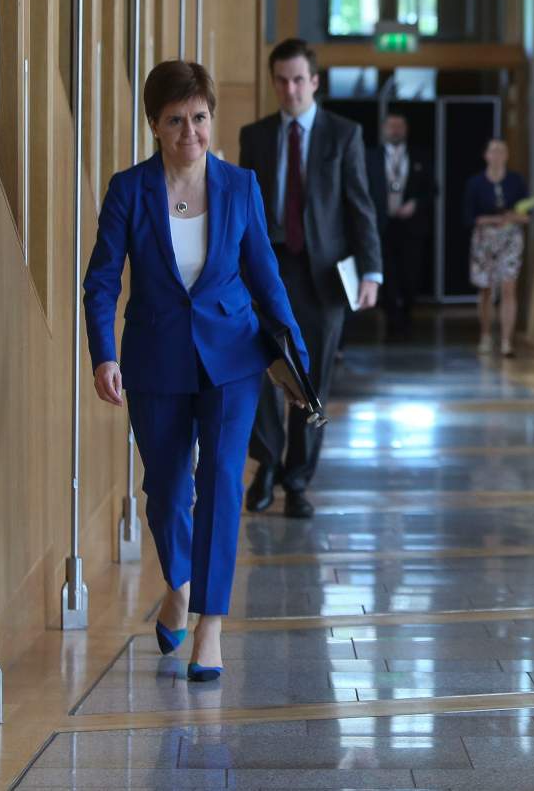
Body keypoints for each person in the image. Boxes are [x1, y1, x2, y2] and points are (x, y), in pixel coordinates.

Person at [82, 60, 308, 682]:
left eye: (201, 118)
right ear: (154, 124)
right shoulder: (129, 190)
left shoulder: (239, 187)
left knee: (223, 483)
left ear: (213, 118)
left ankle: (209, 626)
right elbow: (101, 283)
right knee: (166, 490)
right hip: (156, 362)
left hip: (233, 358)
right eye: (176, 119)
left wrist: (298, 361)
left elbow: (266, 278)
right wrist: (103, 353)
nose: (191, 131)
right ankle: (177, 584)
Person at [238, 38, 382, 518]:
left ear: (315, 82)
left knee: (313, 378)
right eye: (281, 80)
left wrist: (371, 270)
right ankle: (267, 468)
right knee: (258, 371)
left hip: (324, 276)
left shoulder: (343, 135)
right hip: (267, 271)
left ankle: (298, 481)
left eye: (299, 79)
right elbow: (243, 212)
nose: (290, 89)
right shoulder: (255, 136)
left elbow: (360, 206)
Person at [366, 112, 439, 338]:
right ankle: (391, 315)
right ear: (384, 129)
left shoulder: (421, 156)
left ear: (406, 130)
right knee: (385, 273)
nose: (395, 130)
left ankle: (406, 312)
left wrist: (415, 204)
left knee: (411, 273)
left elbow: (433, 190)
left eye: (399, 126)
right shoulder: (371, 157)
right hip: (382, 226)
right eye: (391, 126)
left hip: (411, 226)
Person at [463, 138, 529, 357]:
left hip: (510, 238)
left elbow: (527, 214)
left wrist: (512, 217)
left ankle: (506, 341)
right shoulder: (476, 183)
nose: (498, 155)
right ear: (486, 155)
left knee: (509, 287)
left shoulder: (516, 181)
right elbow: (469, 216)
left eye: (502, 151)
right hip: (485, 239)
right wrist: (492, 219)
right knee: (486, 288)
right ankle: (485, 334)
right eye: (494, 151)